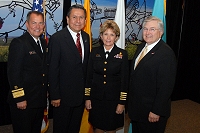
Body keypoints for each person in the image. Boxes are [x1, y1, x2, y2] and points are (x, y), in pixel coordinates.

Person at [128, 16, 177, 133]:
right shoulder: (141, 47)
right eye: (145, 29)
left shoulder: (166, 54)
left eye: (152, 29)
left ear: (160, 32)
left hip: (152, 112)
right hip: (138, 110)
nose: (147, 32)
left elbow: (166, 86)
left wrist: (156, 110)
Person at [48, 4, 90, 133]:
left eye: (81, 17)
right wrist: (55, 95)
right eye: (74, 17)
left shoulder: (86, 37)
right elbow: (52, 69)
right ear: (67, 19)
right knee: (61, 128)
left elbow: (85, 67)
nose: (78, 21)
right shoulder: (57, 38)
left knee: (74, 128)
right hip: (62, 98)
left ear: (85, 20)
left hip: (79, 96)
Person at [85, 20, 129, 133]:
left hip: (113, 100)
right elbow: (89, 77)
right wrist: (87, 97)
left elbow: (124, 81)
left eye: (112, 34)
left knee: (111, 127)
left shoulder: (122, 54)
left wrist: (122, 102)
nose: (108, 38)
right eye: (105, 34)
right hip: (96, 98)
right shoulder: (94, 52)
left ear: (116, 37)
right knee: (98, 126)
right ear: (101, 36)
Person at [7, 11, 48, 133]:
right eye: (34, 23)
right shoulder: (19, 43)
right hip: (24, 100)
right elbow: (13, 73)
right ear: (27, 24)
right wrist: (19, 98)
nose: (37, 26)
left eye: (41, 23)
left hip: (38, 99)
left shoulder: (43, 42)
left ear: (44, 26)